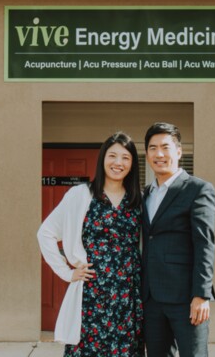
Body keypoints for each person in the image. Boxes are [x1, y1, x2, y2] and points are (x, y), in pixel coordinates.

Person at [37, 132, 144, 357]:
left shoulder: (138, 200)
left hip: (128, 297)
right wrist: (67, 273)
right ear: (102, 159)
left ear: (132, 163)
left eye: (125, 157)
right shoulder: (81, 195)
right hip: (92, 294)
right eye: (112, 156)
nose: (118, 163)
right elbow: (45, 233)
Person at [142, 122, 215, 357]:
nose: (159, 154)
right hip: (151, 297)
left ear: (179, 151)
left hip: (187, 297)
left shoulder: (197, 189)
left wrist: (201, 294)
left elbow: (205, 243)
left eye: (165, 147)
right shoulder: (145, 193)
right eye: (153, 148)